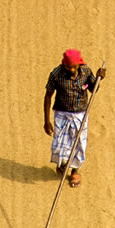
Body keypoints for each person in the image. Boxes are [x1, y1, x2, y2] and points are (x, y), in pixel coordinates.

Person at [43, 49, 107, 188]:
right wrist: (46, 121)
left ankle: (75, 171)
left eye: (74, 67)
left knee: (79, 144)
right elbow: (48, 95)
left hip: (80, 114)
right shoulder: (56, 74)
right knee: (59, 144)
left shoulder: (85, 72)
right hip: (61, 113)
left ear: (78, 64)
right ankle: (63, 164)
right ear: (64, 65)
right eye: (69, 67)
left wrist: (98, 79)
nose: (72, 69)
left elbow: (93, 90)